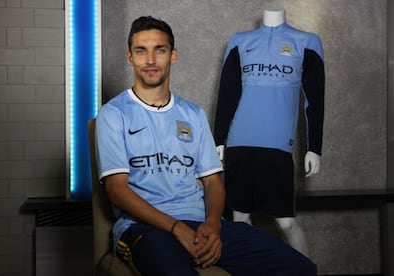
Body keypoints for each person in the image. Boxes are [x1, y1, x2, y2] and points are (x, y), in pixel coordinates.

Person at [95, 15, 317, 275]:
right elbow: (117, 190)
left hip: (202, 223)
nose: (151, 60)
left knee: (300, 268)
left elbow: (213, 182)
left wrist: (213, 224)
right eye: (141, 51)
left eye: (160, 50)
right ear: (130, 58)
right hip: (144, 228)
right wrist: (177, 229)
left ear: (173, 56)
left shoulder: (193, 114)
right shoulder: (114, 114)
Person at [214, 10, 325, 257]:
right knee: (240, 220)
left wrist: (313, 147)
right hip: (239, 143)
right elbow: (228, 94)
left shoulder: (306, 42)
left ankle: (306, 272)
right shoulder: (240, 41)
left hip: (277, 145)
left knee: (286, 222)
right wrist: (219, 139)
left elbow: (315, 101)